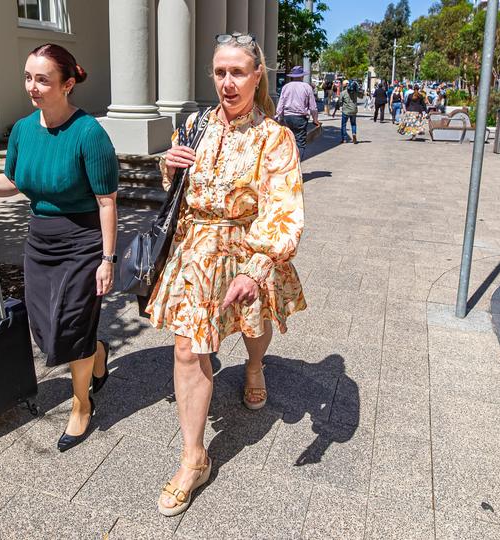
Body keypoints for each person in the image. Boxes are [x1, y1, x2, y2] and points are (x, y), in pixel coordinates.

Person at [148, 31, 305, 517]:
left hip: (248, 247)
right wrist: (168, 165)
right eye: (220, 72)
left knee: (252, 328)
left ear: (258, 76)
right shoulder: (193, 124)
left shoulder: (275, 138)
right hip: (195, 252)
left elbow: (284, 210)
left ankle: (255, 366)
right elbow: (176, 185)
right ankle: (194, 457)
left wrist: (257, 270)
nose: (227, 82)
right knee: (188, 346)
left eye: (238, 72)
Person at [0, 44, 119, 452]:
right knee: (44, 329)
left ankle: (81, 403)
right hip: (40, 239)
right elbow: (16, 182)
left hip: (82, 240)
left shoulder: (88, 134)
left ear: (68, 84)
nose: (33, 87)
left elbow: (107, 202)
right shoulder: (23, 130)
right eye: (28, 77)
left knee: (69, 327)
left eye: (42, 79)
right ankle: (96, 350)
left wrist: (107, 260)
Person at [275, 65, 321, 159]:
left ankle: (289, 164)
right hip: (300, 118)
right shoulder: (307, 87)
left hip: (287, 118)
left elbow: (280, 105)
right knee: (300, 143)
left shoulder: (286, 87)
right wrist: (315, 119)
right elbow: (313, 106)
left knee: (289, 142)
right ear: (302, 76)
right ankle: (296, 165)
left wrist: (279, 118)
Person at [340, 79, 359, 144]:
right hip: (354, 111)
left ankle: (344, 139)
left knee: (343, 125)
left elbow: (340, 101)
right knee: (353, 124)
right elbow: (361, 96)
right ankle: (354, 134)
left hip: (345, 111)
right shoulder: (355, 92)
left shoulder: (343, 93)